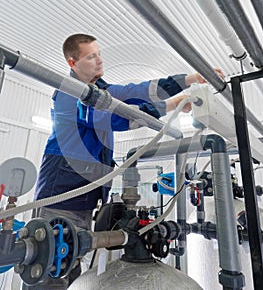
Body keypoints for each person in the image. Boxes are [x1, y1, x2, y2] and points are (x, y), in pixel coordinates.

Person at [28, 33, 224, 289]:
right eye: (90, 56)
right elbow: (116, 119)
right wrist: (170, 105)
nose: (99, 61)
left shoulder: (102, 91)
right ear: (72, 63)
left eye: (99, 54)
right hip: (62, 194)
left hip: (83, 199)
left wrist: (190, 79)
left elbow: (140, 90)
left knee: (72, 264)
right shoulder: (70, 93)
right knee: (51, 270)